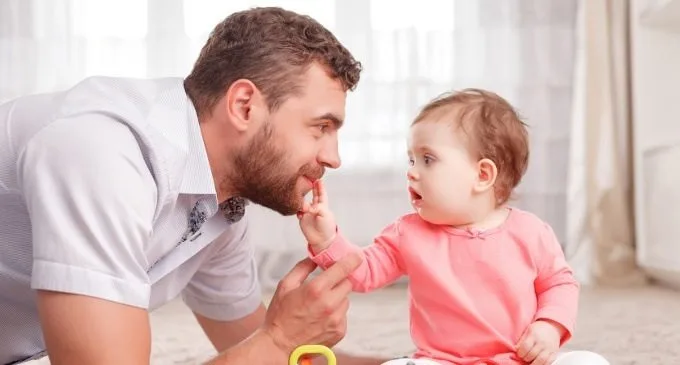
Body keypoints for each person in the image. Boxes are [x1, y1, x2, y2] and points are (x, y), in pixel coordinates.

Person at [0, 6, 387, 365]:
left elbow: (262, 345)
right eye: (321, 127)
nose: (334, 158)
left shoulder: (217, 205)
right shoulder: (102, 151)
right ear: (244, 106)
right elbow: (271, 346)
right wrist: (279, 339)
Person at [297, 89, 612, 365]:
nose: (412, 172)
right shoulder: (407, 233)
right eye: (411, 160)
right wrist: (327, 240)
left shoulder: (531, 232)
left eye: (428, 159)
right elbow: (363, 271)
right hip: (443, 361)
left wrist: (549, 325)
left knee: (589, 361)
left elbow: (560, 284)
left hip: (522, 359)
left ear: (483, 175)